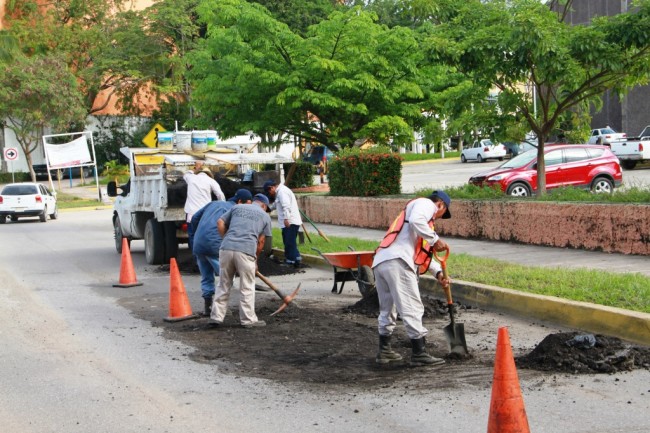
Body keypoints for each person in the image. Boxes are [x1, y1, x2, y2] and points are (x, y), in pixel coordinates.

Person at [372, 190, 452, 367]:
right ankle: (419, 353)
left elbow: (422, 256)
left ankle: (384, 351)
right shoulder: (425, 204)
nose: (438, 218)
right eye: (442, 213)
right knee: (412, 308)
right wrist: (435, 239)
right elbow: (418, 222)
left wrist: (439, 274)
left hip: (382, 261)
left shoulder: (418, 225)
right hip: (398, 262)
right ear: (440, 204)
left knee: (388, 310)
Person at [210, 193, 273, 328]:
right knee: (247, 286)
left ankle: (216, 317)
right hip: (246, 251)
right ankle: (248, 320)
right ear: (264, 205)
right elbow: (261, 241)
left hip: (226, 248)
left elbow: (220, 222)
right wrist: (255, 260)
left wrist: (226, 239)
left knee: (223, 283)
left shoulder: (237, 207)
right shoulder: (265, 216)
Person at [191, 188, 253, 316]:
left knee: (206, 276)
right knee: (226, 278)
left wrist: (201, 232)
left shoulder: (213, 203)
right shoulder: (235, 210)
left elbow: (194, 218)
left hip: (199, 243)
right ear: (239, 201)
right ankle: (221, 309)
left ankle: (207, 307)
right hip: (215, 245)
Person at [183, 164, 225, 252]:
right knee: (205, 234)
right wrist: (222, 206)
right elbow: (220, 195)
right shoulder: (211, 181)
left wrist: (195, 168)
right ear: (209, 174)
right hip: (205, 214)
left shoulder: (191, 178)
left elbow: (185, 174)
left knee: (192, 235)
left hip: (191, 213)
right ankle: (204, 254)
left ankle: (195, 256)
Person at [263, 179, 303, 268]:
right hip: (288, 222)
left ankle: (291, 261)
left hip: (290, 222)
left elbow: (286, 206)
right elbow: (275, 205)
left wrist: (286, 219)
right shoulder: (280, 192)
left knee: (289, 242)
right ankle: (296, 258)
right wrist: (266, 209)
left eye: (269, 192)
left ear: (271, 188)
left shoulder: (282, 192)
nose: (270, 194)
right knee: (289, 241)